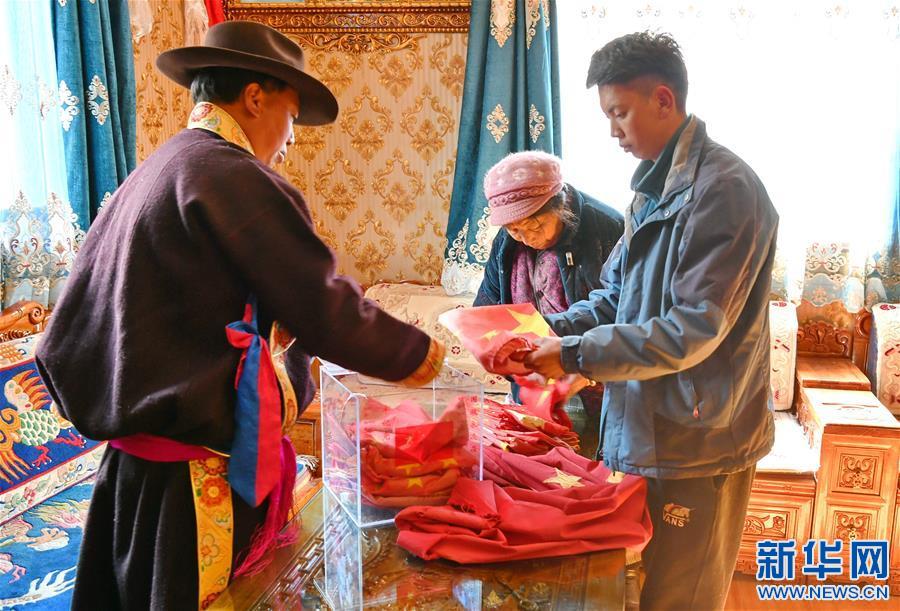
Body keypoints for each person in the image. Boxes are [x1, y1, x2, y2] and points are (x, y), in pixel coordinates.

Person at [34, 21, 444, 610]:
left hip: (136, 471)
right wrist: (423, 355)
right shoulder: (232, 175)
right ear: (254, 97)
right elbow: (322, 303)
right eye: (291, 115)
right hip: (194, 483)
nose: (291, 139)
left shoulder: (161, 166)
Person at [521, 32, 778, 609]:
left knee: (681, 597)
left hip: (700, 443)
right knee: (637, 588)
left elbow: (693, 329)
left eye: (620, 113)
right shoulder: (650, 191)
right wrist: (542, 331)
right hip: (646, 427)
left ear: (664, 100)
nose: (613, 131)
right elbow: (615, 296)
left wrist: (573, 356)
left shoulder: (724, 190)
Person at [473, 151, 622, 453]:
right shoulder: (508, 242)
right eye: (514, 229)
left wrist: (582, 366)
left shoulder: (607, 227)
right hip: (534, 382)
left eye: (535, 225)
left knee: (592, 467)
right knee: (536, 464)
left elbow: (624, 312)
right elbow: (488, 309)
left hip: (599, 381)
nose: (525, 237)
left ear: (560, 205)